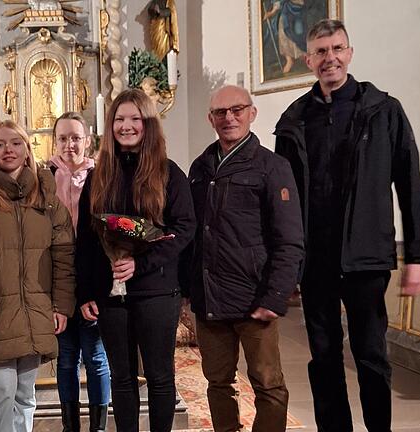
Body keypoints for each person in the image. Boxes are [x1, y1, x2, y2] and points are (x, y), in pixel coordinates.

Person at [274, 19, 420, 432]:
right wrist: (287, 260)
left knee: (370, 356)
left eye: (337, 49)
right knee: (323, 358)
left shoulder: (384, 110)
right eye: (321, 52)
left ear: (350, 53)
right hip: (316, 259)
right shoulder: (295, 120)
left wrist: (417, 255)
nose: (331, 58)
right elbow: (283, 201)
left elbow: (409, 183)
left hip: (365, 256)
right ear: (309, 60)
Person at [184, 85, 304, 432]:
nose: (229, 118)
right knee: (218, 382)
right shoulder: (201, 166)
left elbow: (290, 239)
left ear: (252, 113)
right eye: (220, 112)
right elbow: (193, 232)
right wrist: (191, 285)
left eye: (236, 109)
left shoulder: (272, 167)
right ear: (211, 119)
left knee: (268, 384)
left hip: (255, 297)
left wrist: (276, 295)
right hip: (210, 298)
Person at [75, 88, 196, 432]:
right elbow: (85, 237)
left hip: (156, 291)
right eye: (119, 119)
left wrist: (140, 264)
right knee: (122, 377)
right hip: (110, 294)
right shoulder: (98, 176)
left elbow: (184, 228)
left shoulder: (168, 172)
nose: (126, 126)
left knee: (159, 376)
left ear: (148, 124)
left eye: (134, 119)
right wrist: (85, 291)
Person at [0, 120, 76, 432]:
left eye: (15, 143)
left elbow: (64, 255)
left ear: (27, 151)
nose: (7, 149)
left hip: (36, 312)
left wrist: (61, 305)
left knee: (25, 396)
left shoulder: (47, 200)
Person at [48, 112, 110, 432]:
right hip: (57, 278)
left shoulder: (101, 176)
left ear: (87, 140)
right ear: (54, 141)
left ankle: (98, 426)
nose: (69, 144)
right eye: (62, 138)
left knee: (96, 355)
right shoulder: (45, 177)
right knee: (67, 356)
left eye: (75, 138)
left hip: (91, 275)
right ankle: (70, 425)